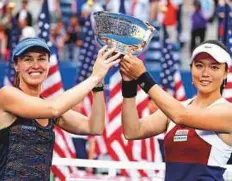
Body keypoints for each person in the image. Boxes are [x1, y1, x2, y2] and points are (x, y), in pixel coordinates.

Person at [0, 37, 121, 180]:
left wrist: (99, 84)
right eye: (28, 59)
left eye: (41, 59)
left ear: (48, 63)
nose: (35, 65)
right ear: (16, 65)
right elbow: (54, 108)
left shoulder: (48, 108)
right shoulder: (7, 94)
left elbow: (95, 127)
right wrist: (94, 77)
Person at [120, 40, 232, 181]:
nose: (205, 73)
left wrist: (142, 77)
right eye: (199, 66)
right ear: (191, 69)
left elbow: (180, 116)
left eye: (214, 67)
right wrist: (129, 83)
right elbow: (132, 131)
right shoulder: (178, 109)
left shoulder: (228, 112)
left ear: (225, 73)